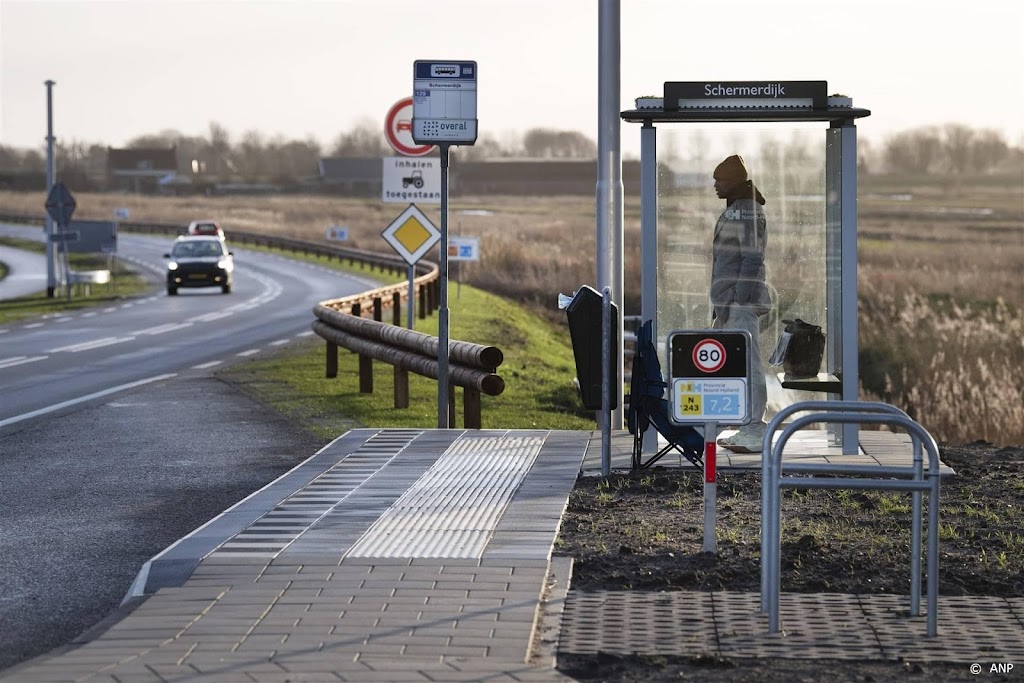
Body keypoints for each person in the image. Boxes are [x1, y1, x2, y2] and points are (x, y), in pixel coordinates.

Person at [709, 155, 772, 453]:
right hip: (730, 303)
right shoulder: (739, 208)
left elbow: (752, 257)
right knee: (740, 365)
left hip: (739, 305)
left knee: (750, 365)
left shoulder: (747, 211)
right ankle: (747, 425)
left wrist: (738, 300)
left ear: (733, 181)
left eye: (720, 180)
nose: (715, 185)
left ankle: (756, 429)